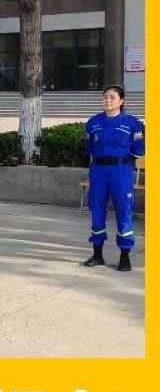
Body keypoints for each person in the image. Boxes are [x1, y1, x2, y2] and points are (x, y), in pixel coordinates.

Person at [83, 85, 145, 272]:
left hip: (120, 171)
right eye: (105, 97)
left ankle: (124, 257)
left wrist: (121, 159)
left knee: (124, 211)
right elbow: (88, 146)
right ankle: (97, 254)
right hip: (98, 171)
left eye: (112, 97)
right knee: (97, 210)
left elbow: (139, 149)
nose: (107, 100)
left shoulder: (132, 123)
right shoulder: (94, 122)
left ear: (121, 101)